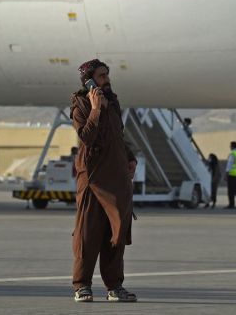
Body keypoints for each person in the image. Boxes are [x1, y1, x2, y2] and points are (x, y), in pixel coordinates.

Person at [70, 59, 138, 302]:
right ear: (89, 80)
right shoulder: (80, 103)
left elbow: (117, 136)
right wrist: (96, 109)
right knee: (88, 235)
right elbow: (86, 137)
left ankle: (114, 286)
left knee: (116, 234)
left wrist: (130, 157)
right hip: (93, 177)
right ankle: (82, 286)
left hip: (116, 177)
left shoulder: (113, 102)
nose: (106, 79)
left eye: (107, 74)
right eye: (101, 76)